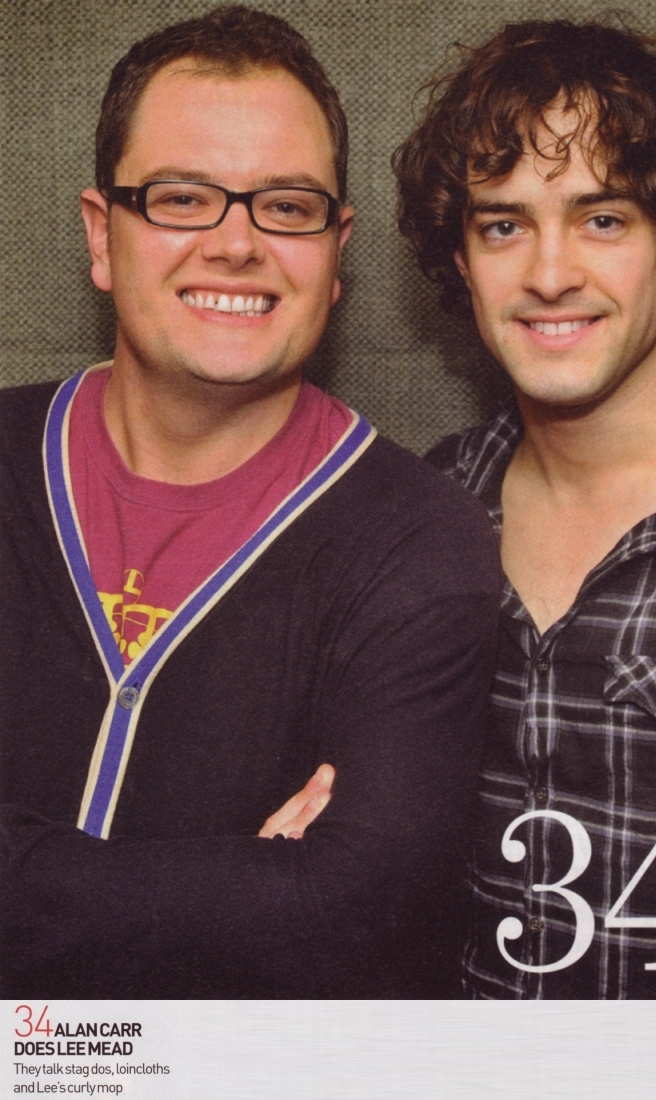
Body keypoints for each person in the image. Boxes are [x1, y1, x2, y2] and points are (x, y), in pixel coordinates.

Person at [0, 5, 500, 999]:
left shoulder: (420, 537)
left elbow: (356, 915)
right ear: (102, 234)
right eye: (182, 198)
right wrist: (255, 885)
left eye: (286, 206)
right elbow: (303, 902)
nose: (236, 243)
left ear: (335, 251)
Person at [393, 17, 656, 997]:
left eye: (602, 219)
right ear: (462, 260)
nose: (549, 274)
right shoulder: (422, 513)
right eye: (503, 225)